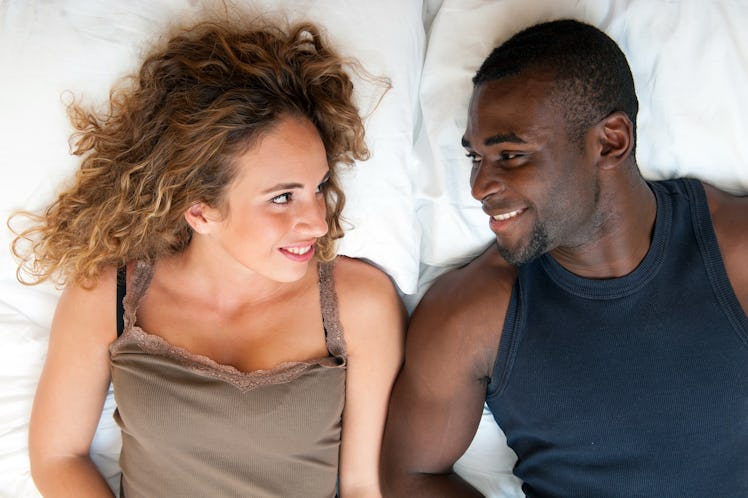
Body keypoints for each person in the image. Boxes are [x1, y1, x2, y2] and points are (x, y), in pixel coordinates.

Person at [11, 17, 404, 498]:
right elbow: (56, 458)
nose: (319, 223)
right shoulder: (108, 295)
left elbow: (365, 485)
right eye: (283, 197)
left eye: (318, 187)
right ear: (200, 211)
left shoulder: (358, 304)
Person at [381, 18, 748, 498]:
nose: (478, 187)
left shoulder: (734, 251)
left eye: (510, 155)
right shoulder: (473, 316)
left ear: (610, 141)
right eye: (475, 158)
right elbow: (409, 476)